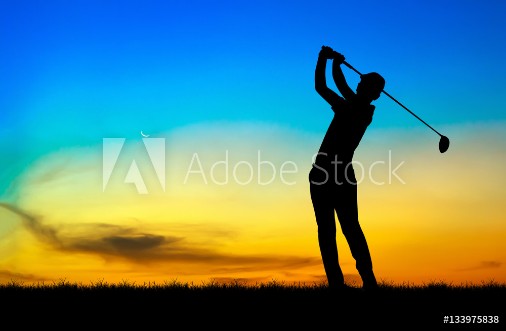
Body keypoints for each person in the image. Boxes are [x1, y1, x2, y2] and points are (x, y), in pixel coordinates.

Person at [309, 45, 385, 291]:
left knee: (350, 227)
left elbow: (339, 85)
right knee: (327, 230)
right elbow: (320, 87)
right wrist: (324, 60)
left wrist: (334, 63)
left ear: (375, 95)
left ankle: (369, 281)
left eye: (367, 85)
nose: (361, 86)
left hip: (340, 174)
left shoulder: (363, 111)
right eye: (363, 83)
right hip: (321, 173)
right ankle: (336, 284)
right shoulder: (346, 105)